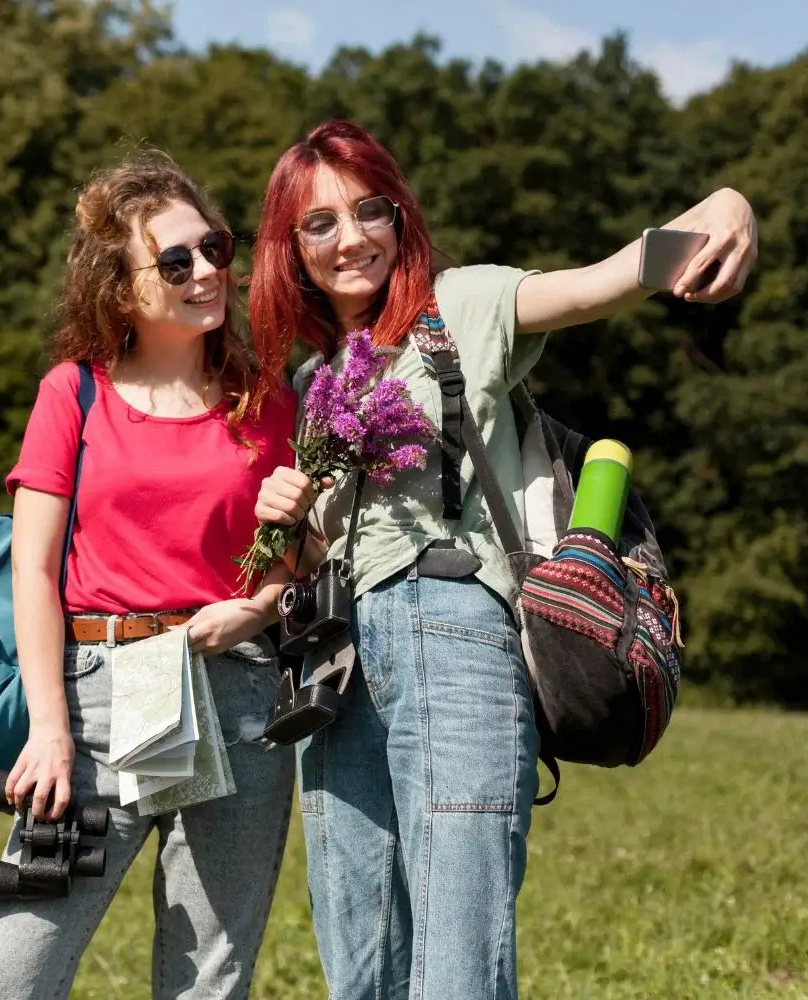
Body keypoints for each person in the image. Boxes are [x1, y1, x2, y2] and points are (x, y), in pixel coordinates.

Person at [247, 119, 758, 1000]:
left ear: (399, 216)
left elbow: (607, 281)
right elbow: (321, 553)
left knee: (457, 952)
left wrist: (725, 204)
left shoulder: (464, 305)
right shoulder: (309, 383)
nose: (351, 237)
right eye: (319, 223)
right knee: (356, 950)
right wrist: (289, 522)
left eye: (369, 209)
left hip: (455, 634)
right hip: (334, 665)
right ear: (289, 249)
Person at [0, 151, 298, 1000]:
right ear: (120, 287)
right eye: (175, 261)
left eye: (214, 247)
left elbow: (292, 569)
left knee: (206, 981)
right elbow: (32, 570)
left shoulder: (268, 403)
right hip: (100, 698)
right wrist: (51, 728)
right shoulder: (72, 394)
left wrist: (253, 613)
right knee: (4, 979)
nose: (208, 271)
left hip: (241, 696)